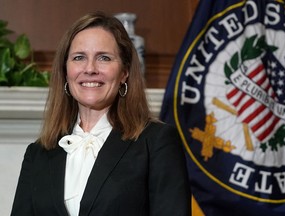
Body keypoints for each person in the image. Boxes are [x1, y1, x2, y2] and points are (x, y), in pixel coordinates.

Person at [11, 11, 191, 216]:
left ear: (124, 72)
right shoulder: (38, 154)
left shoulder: (156, 142)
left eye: (104, 58)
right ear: (65, 71)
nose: (90, 69)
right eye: (79, 57)